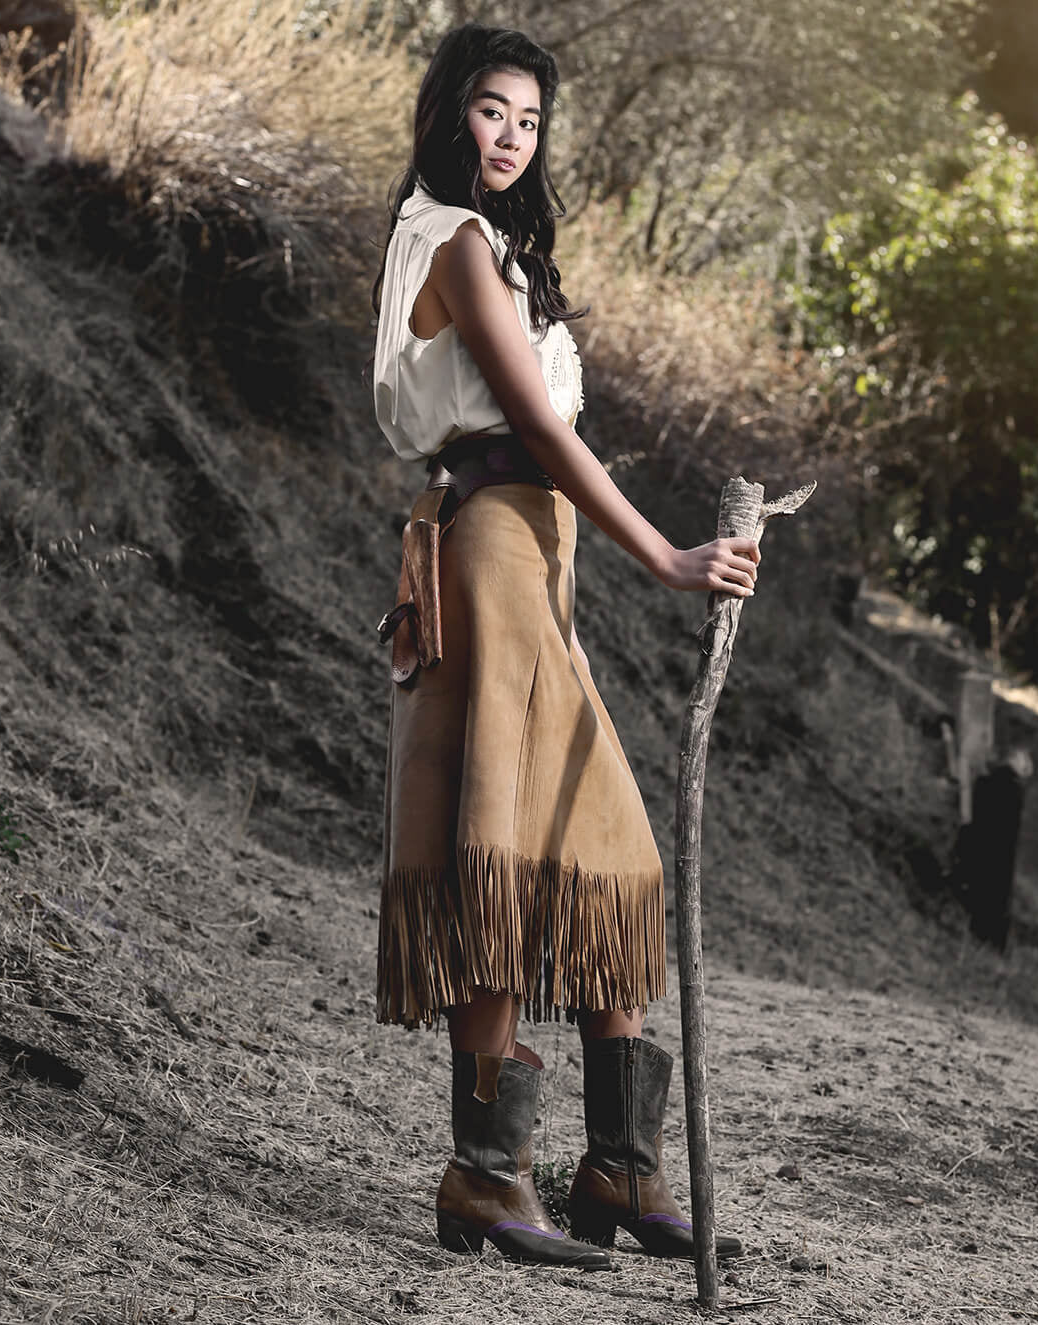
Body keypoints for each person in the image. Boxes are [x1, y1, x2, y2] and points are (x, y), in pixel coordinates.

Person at [371, 23, 759, 1271]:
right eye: (491, 111)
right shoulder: (455, 241)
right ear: (448, 113)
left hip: (533, 555)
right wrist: (673, 557)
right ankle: (484, 1175)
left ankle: (616, 1164)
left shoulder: (494, 244)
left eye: (529, 122)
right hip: (489, 546)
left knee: (607, 856)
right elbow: (537, 427)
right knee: (500, 854)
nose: (509, 136)